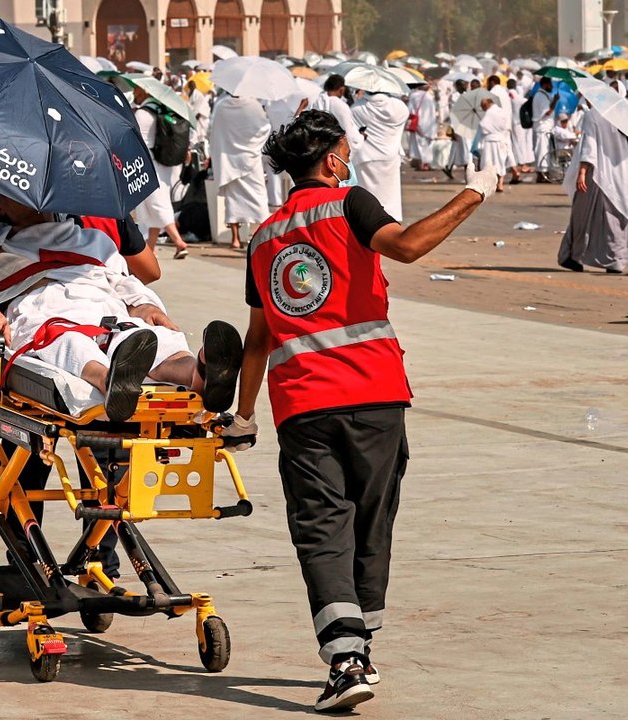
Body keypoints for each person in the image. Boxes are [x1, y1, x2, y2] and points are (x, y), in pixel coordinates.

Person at [226, 110, 498, 713]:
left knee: (322, 528)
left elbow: (258, 339)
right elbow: (409, 246)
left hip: (302, 404)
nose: (350, 160)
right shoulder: (349, 204)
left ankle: (348, 657)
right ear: (331, 160)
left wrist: (244, 416)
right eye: (347, 151)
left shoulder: (263, 238)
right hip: (374, 393)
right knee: (372, 523)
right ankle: (358, 649)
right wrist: (474, 193)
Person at [0, 192, 243, 422]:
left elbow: (123, 281)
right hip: (46, 314)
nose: (32, 196)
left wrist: (144, 305)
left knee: (146, 335)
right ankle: (110, 382)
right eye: (17, 192)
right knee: (69, 343)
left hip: (103, 309)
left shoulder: (91, 239)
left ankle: (199, 372)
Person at [558, 107, 627, 274]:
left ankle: (572, 256)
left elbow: (589, 145)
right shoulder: (622, 113)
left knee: (582, 216)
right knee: (615, 217)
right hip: (620, 174)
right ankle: (615, 259)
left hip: (596, 175)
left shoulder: (593, 115)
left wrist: (582, 172)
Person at [131, 84, 191, 258]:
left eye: (136, 89)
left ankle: (179, 242)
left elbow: (136, 140)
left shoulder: (142, 113)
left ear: (145, 90)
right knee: (153, 206)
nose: (134, 92)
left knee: (157, 203)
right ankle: (150, 248)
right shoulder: (161, 109)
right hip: (163, 163)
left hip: (147, 162)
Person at [209, 91, 271, 250]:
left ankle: (235, 239)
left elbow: (214, 131)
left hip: (229, 159)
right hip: (250, 159)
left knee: (232, 200)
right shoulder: (254, 106)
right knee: (258, 197)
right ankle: (261, 235)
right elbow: (265, 129)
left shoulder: (221, 106)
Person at [351, 91, 409, 221]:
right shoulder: (399, 106)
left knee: (367, 196)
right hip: (390, 156)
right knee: (390, 196)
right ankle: (391, 223)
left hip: (366, 157)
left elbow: (353, 130)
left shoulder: (357, 108)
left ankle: (368, 223)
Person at [476, 96, 520, 191]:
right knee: (500, 162)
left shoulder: (489, 113)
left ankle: (491, 184)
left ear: (486, 104)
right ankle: (500, 184)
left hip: (490, 142)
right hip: (501, 139)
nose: (483, 109)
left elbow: (483, 127)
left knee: (488, 163)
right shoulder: (502, 112)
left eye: (483, 107)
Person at [312, 75, 363, 156]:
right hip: (335, 150)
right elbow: (349, 134)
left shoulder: (316, 101)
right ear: (342, 89)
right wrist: (361, 137)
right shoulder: (340, 105)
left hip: (317, 148)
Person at [532, 76, 559, 183]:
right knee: (542, 152)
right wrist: (555, 101)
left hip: (545, 128)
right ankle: (542, 174)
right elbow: (547, 112)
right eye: (550, 84)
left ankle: (543, 174)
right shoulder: (540, 96)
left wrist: (554, 100)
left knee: (545, 152)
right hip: (542, 128)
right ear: (545, 85)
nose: (551, 87)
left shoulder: (544, 95)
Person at [406, 82, 436, 171]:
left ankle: (422, 163)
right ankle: (425, 163)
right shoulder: (430, 97)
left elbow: (410, 110)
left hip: (418, 123)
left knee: (418, 144)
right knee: (427, 144)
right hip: (429, 124)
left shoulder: (413, 96)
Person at [507, 78, 535, 173]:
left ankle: (516, 164)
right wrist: (531, 99)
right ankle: (522, 165)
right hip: (517, 122)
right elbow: (520, 101)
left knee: (515, 143)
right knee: (519, 143)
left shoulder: (508, 93)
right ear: (514, 85)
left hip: (512, 122)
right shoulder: (512, 94)